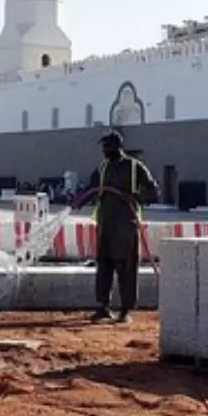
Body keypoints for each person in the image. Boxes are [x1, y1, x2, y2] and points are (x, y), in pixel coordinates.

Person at [73, 131, 159, 324]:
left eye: (107, 147)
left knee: (126, 268)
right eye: (103, 147)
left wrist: (136, 197)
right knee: (103, 267)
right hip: (105, 225)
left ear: (117, 147)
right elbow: (92, 188)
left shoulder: (135, 167)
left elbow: (154, 191)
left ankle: (126, 310)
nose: (104, 150)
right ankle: (102, 307)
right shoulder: (103, 167)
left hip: (125, 226)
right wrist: (80, 199)